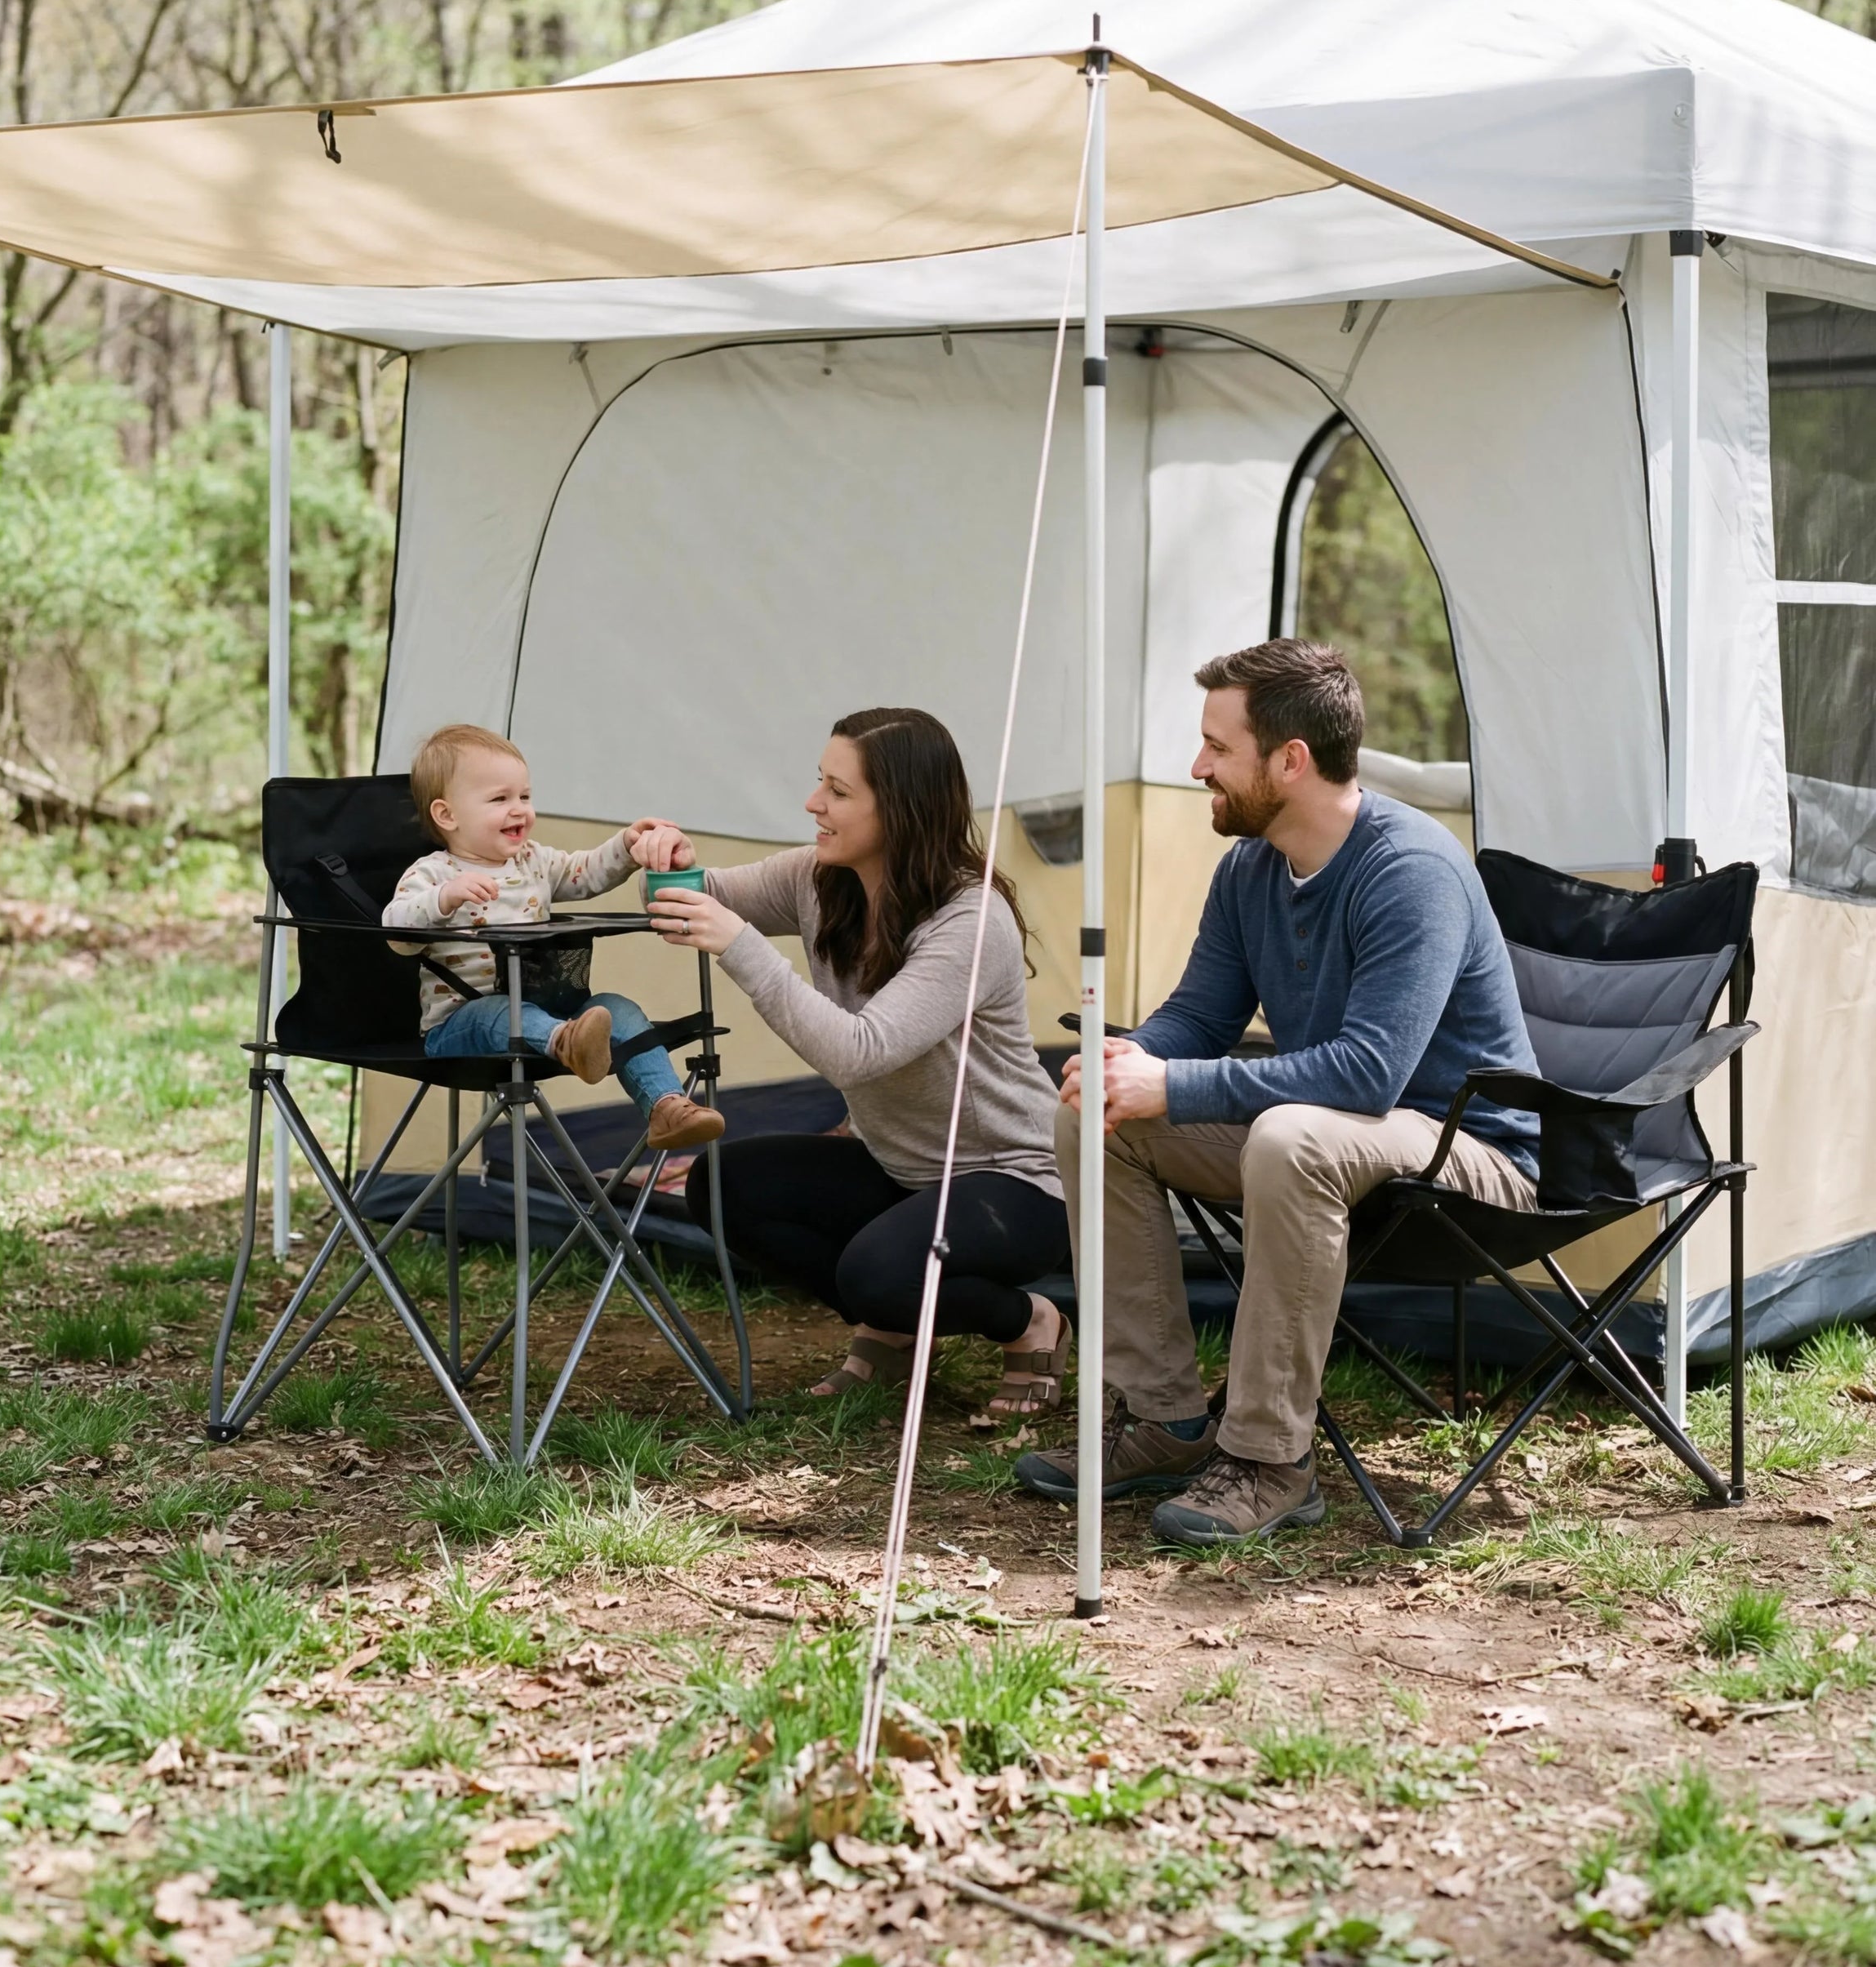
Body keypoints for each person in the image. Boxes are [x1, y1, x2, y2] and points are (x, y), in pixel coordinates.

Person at [1015, 639, 1539, 1545]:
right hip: (1336, 1141)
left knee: (1290, 1135)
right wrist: (1129, 1061)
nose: (1197, 767)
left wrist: (1175, 1084)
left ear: (1290, 761)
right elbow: (1199, 1020)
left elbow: (1370, 1073)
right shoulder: (1250, 868)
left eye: (1218, 748)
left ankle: (1269, 1459)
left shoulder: (1408, 870)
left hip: (1467, 1151)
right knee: (1095, 1118)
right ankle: (1169, 1422)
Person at [648, 708, 1073, 1419]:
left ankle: (1028, 1321)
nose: (815, 804)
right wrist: (667, 860)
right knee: (721, 1186)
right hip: (901, 1168)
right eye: (821, 783)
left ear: (901, 810)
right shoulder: (821, 878)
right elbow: (694, 900)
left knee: (877, 1274)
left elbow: (860, 1053)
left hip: (1013, 1182)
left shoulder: (971, 921)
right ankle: (898, 1325)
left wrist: (743, 949)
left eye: (839, 792)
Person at [383, 722, 725, 1154]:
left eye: (524, 796)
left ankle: (667, 1106)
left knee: (617, 1007)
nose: (519, 809)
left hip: (551, 1008)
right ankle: (565, 1042)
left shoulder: (534, 862)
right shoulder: (432, 874)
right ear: (447, 815)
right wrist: (442, 901)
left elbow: (586, 874)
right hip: (459, 1027)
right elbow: (396, 933)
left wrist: (626, 844)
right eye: (499, 799)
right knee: (497, 1011)